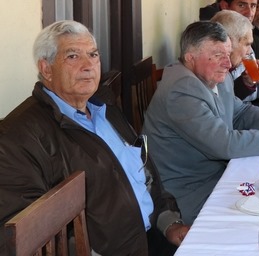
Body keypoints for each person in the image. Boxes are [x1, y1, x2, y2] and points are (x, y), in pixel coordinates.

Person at [0, 21, 188, 255]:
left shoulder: (105, 108)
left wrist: (169, 222)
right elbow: (23, 235)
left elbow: (144, 174)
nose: (88, 65)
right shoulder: (17, 137)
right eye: (72, 56)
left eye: (93, 55)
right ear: (46, 69)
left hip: (153, 238)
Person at [142, 21, 259, 224]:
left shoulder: (214, 77)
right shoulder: (182, 90)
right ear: (190, 57)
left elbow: (240, 113)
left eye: (228, 54)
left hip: (215, 176)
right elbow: (225, 144)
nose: (228, 64)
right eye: (217, 55)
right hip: (188, 193)